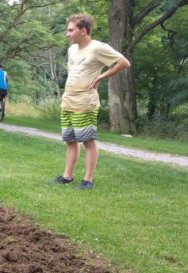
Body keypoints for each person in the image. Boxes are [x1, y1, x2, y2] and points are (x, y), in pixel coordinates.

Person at [53, 14, 130, 190]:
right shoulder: (72, 49)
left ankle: (88, 180)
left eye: (71, 30)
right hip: (68, 101)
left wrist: (100, 77)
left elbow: (124, 62)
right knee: (70, 140)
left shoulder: (97, 48)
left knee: (88, 141)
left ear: (83, 31)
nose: (67, 34)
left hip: (85, 102)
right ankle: (67, 176)